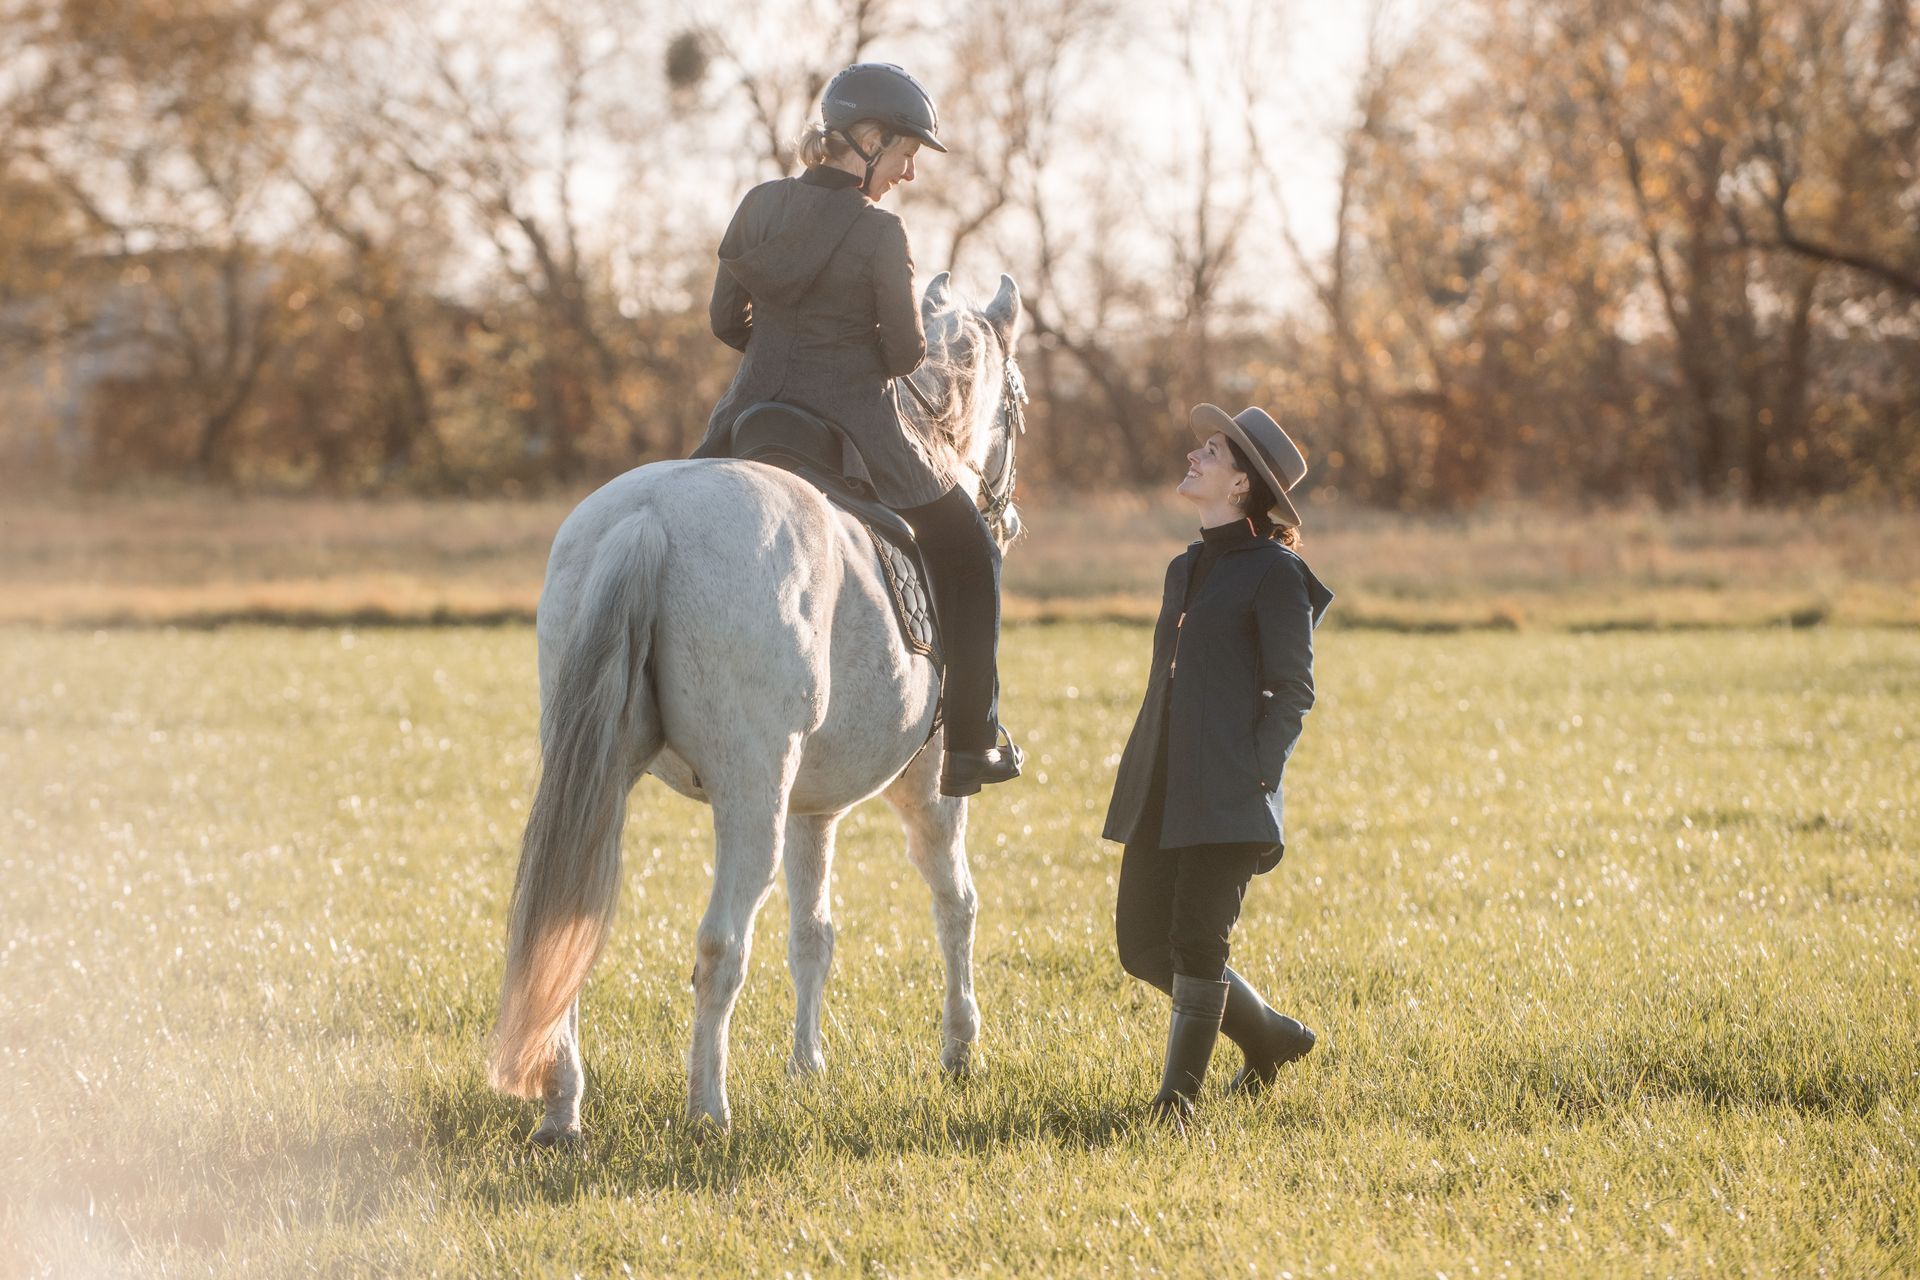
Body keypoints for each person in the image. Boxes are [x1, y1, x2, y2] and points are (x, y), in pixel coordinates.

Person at [691, 62, 1021, 798]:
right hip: (857, 423)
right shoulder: (881, 232)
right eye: (905, 153)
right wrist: (841, 354)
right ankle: (972, 743)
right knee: (971, 552)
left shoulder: (757, 206)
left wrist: (788, 351)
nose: (906, 172)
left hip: (747, 416)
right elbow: (905, 353)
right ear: (867, 141)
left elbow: (724, 321)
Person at [1103, 403, 1334, 1130]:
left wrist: (1256, 776)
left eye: (1212, 452)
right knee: (1142, 945)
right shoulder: (1184, 568)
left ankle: (1177, 1105)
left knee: (1199, 944)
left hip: (1230, 790)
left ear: (1241, 486)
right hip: (1161, 787)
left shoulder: (1277, 573)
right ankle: (1272, 1036)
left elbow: (1293, 691)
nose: (1195, 457)